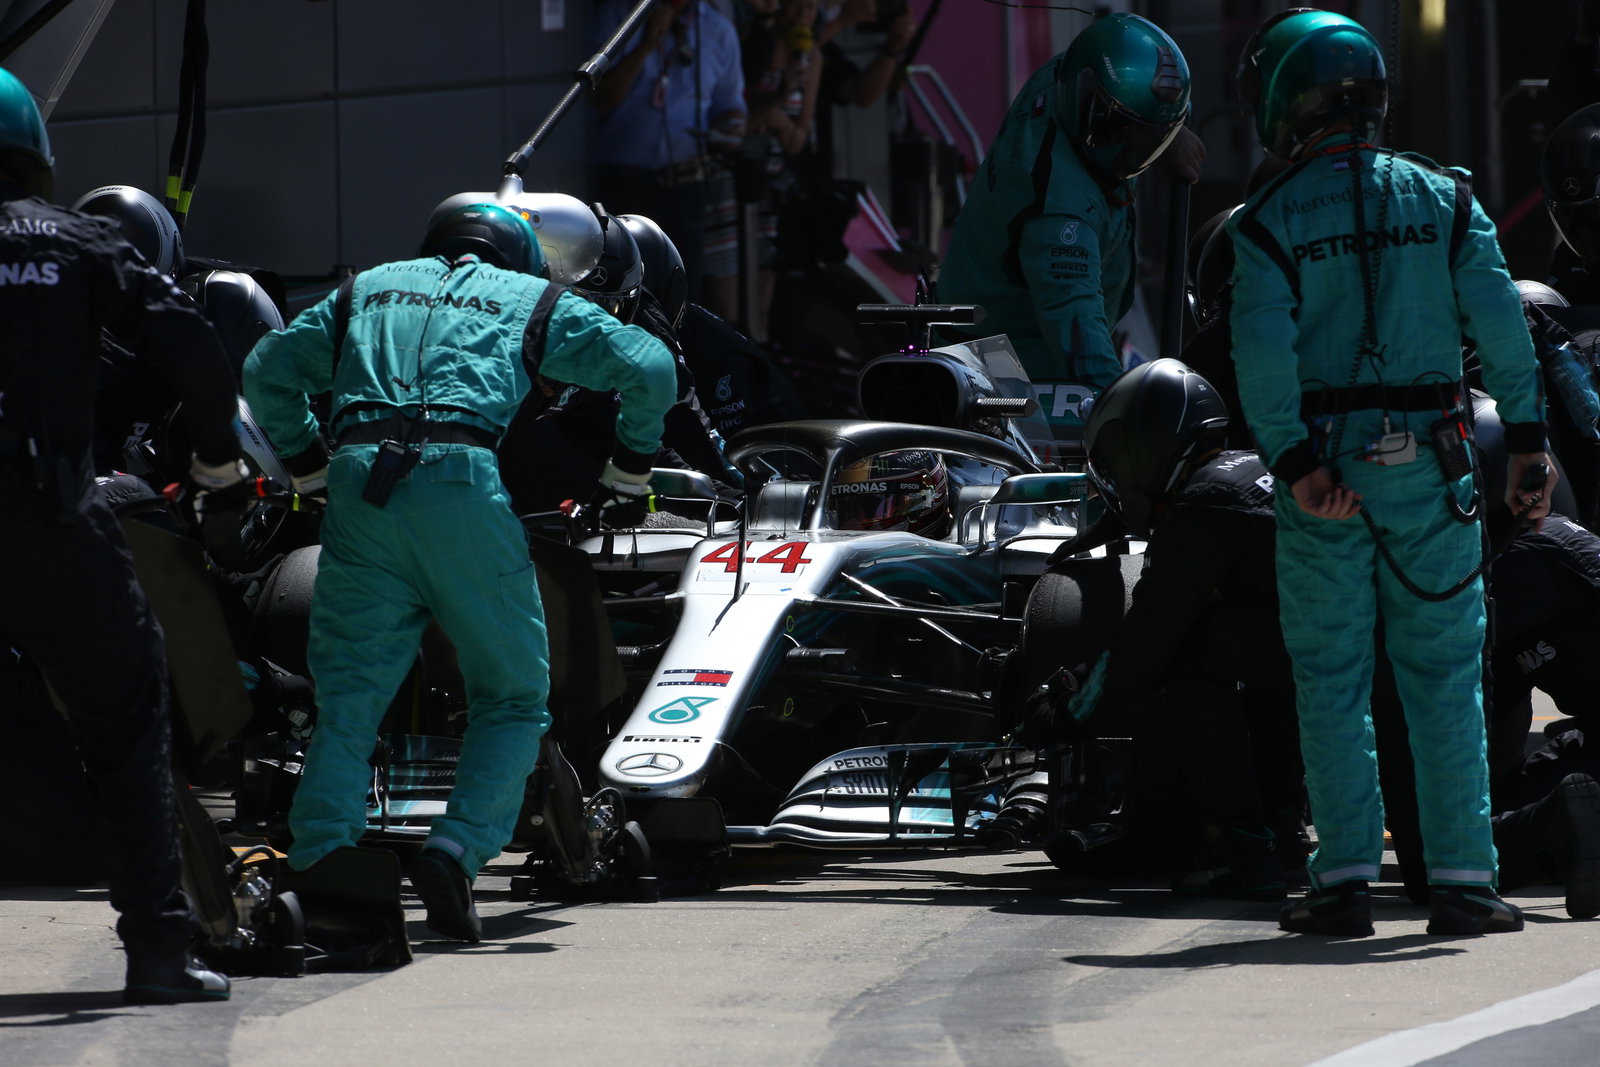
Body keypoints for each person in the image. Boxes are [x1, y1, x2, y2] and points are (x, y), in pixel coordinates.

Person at [241, 202, 677, 940]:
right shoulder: (530, 297)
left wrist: (312, 471)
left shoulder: (361, 291)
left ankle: (326, 870)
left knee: (348, 704)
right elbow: (651, 367)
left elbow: (264, 370)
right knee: (509, 696)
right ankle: (455, 848)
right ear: (517, 256)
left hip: (359, 490)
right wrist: (630, 472)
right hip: (462, 488)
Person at [1227, 10, 1553, 937]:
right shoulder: (1446, 199)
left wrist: (1296, 466)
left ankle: (1341, 884)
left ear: (1288, 100)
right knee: (1446, 674)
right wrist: (1527, 444)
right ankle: (1461, 881)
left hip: (1325, 473)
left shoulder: (1267, 220)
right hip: (1439, 469)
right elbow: (1502, 325)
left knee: (1330, 674)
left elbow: (1261, 355)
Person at [0, 67, 236, 1003]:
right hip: (48, 512)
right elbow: (191, 348)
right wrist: (217, 457)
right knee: (126, 720)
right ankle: (159, 955)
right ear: (36, 153)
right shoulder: (77, 241)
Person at [1046, 358, 1301, 899]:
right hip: (1356, 653)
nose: (1119, 472)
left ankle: (1245, 846)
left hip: (1329, 661)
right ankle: (1282, 832)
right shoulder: (1252, 467)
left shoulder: (1205, 508)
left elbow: (1145, 643)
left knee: (1187, 654)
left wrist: (1069, 712)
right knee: (1246, 645)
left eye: (1121, 456)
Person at [938, 12, 1202, 452]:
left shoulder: (1064, 80)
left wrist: (1164, 133)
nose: (1129, 156)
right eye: (1122, 132)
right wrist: (1134, 422)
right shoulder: (1058, 210)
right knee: (1055, 504)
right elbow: (1079, 337)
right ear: (1085, 96)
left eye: (1146, 141)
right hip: (1003, 369)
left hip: (1002, 331)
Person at [591, 0, 746, 311]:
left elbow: (732, 105)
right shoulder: (618, 17)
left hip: (688, 184)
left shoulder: (716, 28)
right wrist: (648, 43)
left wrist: (730, 128)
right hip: (626, 183)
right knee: (625, 299)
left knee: (684, 302)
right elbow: (600, 98)